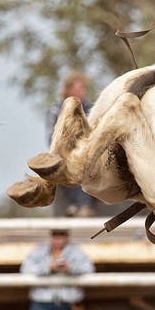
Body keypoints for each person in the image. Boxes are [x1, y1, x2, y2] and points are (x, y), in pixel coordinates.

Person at [46, 72, 98, 216]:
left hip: (87, 152)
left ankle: (80, 206)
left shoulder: (91, 108)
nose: (81, 92)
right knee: (67, 166)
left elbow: (95, 133)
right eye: (78, 89)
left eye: (83, 89)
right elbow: (51, 137)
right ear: (68, 90)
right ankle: (81, 205)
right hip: (64, 154)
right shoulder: (56, 109)